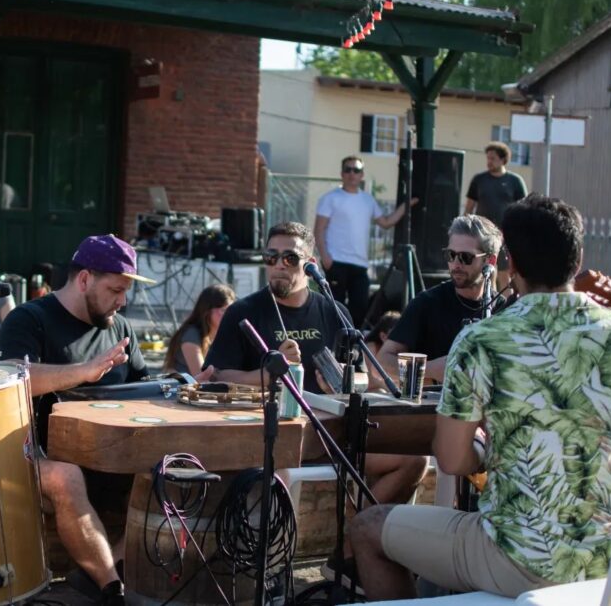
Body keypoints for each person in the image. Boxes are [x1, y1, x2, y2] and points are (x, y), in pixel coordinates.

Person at [351, 194, 611, 600]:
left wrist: (487, 448)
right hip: (610, 561)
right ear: (578, 259)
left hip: (516, 558)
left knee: (368, 527)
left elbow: (452, 459)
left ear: (510, 264)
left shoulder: (483, 338)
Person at [0, 234, 176, 605]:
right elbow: (12, 379)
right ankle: (113, 589)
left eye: (126, 292)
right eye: (115, 290)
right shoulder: (29, 319)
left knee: (174, 467)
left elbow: (141, 388)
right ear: (84, 280)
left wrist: (177, 386)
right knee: (67, 475)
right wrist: (84, 371)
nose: (122, 301)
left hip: (112, 453)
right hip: (36, 455)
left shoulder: (120, 327)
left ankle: (105, 570)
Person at [204, 222, 428, 507]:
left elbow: (362, 377)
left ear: (310, 265)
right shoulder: (244, 311)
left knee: (414, 461)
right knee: (279, 475)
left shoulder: (334, 311)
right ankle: (281, 549)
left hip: (330, 433)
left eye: (290, 258)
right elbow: (216, 376)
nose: (278, 265)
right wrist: (267, 372)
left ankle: (357, 540)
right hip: (272, 435)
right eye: (271, 257)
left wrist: (342, 383)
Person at [377, 215, 504, 384]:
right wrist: (430, 369)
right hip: (432, 407)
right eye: (451, 255)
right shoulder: (427, 303)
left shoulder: (502, 309)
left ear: (490, 260)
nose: (456, 264)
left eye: (466, 257)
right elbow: (382, 361)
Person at [315, 156, 414, 326]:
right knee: (333, 307)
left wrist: (406, 205)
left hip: (360, 264)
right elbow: (318, 229)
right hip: (336, 261)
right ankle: (332, 345)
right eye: (348, 170)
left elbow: (386, 222)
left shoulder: (368, 200)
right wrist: (325, 257)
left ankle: (352, 348)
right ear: (341, 174)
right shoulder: (330, 198)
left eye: (356, 170)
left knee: (359, 308)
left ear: (362, 175)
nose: (352, 174)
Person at [465, 141, 527, 293]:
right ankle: (489, 305)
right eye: (488, 158)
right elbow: (469, 208)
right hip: (482, 234)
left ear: (503, 159)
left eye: (492, 158)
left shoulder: (515, 181)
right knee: (486, 272)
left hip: (506, 234)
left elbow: (524, 208)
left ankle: (505, 306)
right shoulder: (479, 180)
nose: (489, 162)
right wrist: (466, 228)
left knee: (503, 274)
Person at [162, 283, 235, 375]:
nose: (229, 315)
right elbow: (202, 376)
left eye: (231, 310)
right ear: (207, 310)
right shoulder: (191, 335)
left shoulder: (222, 334)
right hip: (183, 388)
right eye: (224, 310)